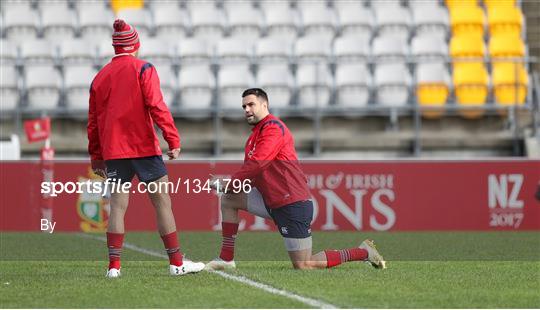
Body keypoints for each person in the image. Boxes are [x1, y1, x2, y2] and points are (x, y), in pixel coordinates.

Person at [206, 88, 386, 270]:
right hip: (270, 200)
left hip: (291, 202)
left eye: (251, 104)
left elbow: (259, 164)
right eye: (244, 106)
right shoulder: (254, 137)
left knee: (304, 264)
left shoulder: (274, 129)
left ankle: (363, 252)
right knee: (229, 199)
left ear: (264, 104)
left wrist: (230, 183)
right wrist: (231, 186)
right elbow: (254, 174)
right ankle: (226, 259)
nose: (246, 109)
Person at [87, 19, 204, 278]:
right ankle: (176, 263)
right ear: (136, 45)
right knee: (162, 203)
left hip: (114, 151)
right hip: (144, 149)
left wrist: (96, 157)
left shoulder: (99, 77)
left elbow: (93, 122)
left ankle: (114, 268)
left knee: (117, 206)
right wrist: (173, 140)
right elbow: (157, 107)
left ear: (116, 48)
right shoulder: (144, 69)